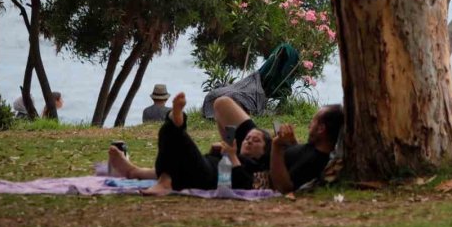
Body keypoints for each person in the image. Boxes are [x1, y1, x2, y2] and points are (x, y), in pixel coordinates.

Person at [108, 92, 272, 196]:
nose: (249, 140)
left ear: (264, 152)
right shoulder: (236, 152)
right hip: (203, 166)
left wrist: (231, 156)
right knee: (172, 142)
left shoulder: (256, 167)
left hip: (207, 176)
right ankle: (135, 171)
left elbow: (243, 184)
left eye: (256, 140)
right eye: (248, 138)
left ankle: (177, 121)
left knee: (179, 139)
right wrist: (222, 151)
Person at [214, 95, 343, 193]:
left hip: (259, 157)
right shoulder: (316, 148)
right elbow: (295, 157)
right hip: (263, 146)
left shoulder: (315, 160)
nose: (309, 125)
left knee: (223, 105)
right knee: (222, 104)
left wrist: (276, 146)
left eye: (313, 122)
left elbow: (283, 186)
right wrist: (292, 142)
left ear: (321, 129)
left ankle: (232, 157)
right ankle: (232, 151)